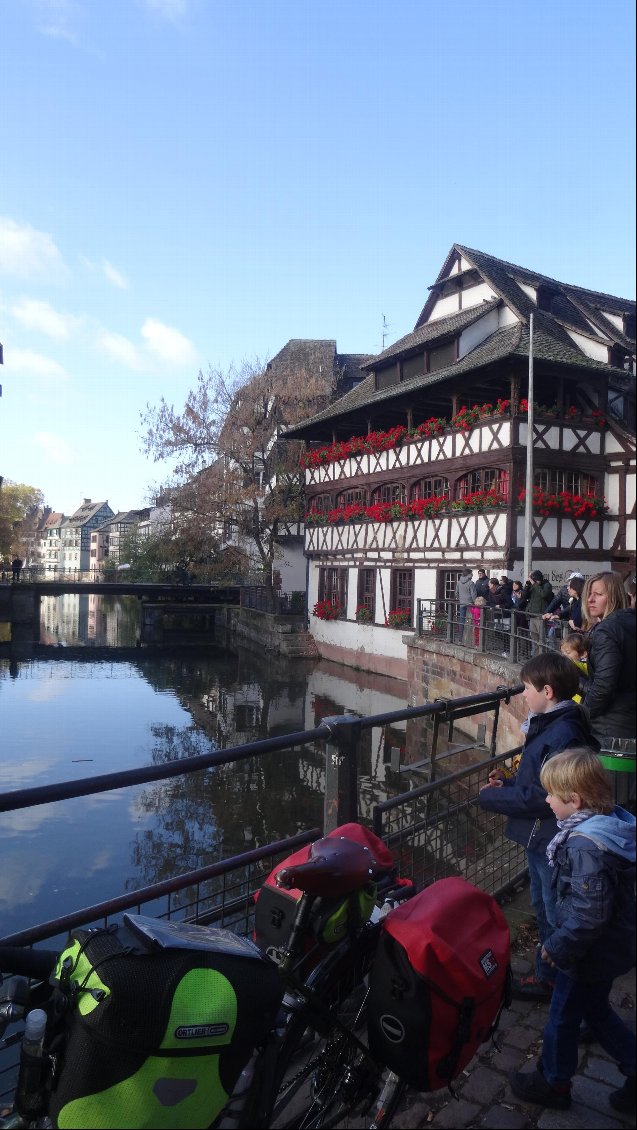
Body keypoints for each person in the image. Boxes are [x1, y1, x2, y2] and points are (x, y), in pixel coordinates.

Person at [510, 748, 635, 1114]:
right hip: (609, 947)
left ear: (574, 800)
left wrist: (557, 946)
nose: (546, 800)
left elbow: (588, 916)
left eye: (551, 794)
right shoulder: (607, 824)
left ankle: (554, 1082)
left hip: (586, 953)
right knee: (595, 1012)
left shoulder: (584, 847)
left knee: (562, 1017)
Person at [478, 652, 598, 1001]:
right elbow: (536, 780)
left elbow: (541, 795)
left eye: (526, 688)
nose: (522, 695)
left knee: (551, 907)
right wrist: (510, 781)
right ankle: (550, 975)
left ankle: (555, 981)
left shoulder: (562, 734)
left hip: (548, 836)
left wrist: (489, 799)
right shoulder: (551, 726)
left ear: (548, 691)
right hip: (539, 836)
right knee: (542, 901)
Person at [582, 572, 636, 741]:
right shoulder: (629, 622)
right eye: (589, 594)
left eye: (598, 594)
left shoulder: (607, 630)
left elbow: (603, 686)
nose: (590, 600)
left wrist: (582, 715)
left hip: (611, 730)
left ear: (613, 597)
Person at [522, 569, 554, 652]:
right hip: (532, 615)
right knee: (534, 639)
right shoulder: (532, 585)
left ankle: (544, 657)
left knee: (542, 639)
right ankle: (536, 658)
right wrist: (527, 585)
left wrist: (535, 584)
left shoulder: (547, 585)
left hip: (541, 616)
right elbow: (524, 596)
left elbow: (543, 594)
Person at [560, 632, 589, 702]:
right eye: (562, 652)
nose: (564, 655)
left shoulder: (584, 667)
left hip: (579, 702)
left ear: (583, 654)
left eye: (568, 652)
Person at [455, 567, 476, 643]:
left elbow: (456, 593)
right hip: (470, 604)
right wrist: (475, 602)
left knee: (462, 621)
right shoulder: (471, 583)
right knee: (471, 621)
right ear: (470, 574)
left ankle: (460, 638)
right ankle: (469, 639)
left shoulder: (458, 582)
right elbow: (473, 595)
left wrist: (460, 599)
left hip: (462, 604)